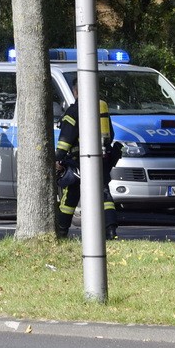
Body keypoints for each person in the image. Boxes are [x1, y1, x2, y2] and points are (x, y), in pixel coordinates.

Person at [54, 80, 118, 239]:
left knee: (70, 196)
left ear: (76, 91)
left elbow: (65, 140)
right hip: (102, 159)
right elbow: (110, 135)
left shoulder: (75, 110)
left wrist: (58, 159)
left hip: (79, 161)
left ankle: (61, 231)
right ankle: (111, 231)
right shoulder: (101, 108)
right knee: (104, 195)